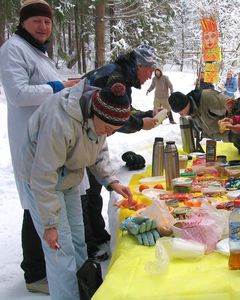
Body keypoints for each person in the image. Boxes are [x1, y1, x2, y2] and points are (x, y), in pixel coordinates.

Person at [17, 81, 133, 300]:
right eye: (108, 129)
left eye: (113, 131)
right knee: (60, 251)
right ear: (95, 114)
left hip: (69, 176)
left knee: (78, 242)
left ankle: (83, 292)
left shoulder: (97, 118)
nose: (107, 134)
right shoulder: (60, 122)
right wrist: (50, 224)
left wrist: (111, 181)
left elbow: (98, 152)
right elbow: (43, 175)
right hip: (43, 181)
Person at [0, 0, 79, 294]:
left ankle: (36, 271)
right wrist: (59, 87)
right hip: (31, 144)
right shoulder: (12, 49)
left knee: (37, 208)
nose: (43, 27)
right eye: (37, 22)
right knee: (39, 209)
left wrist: (64, 86)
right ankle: (35, 274)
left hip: (48, 141)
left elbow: (48, 87)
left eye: (47, 22)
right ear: (23, 23)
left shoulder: (38, 52)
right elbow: (18, 93)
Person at [82, 44, 158, 260]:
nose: (149, 77)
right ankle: (89, 246)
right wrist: (140, 124)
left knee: (94, 188)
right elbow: (113, 117)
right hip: (83, 138)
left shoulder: (121, 75)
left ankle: (97, 235)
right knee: (85, 192)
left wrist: (144, 115)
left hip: (93, 137)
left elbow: (121, 112)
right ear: (139, 65)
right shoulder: (116, 78)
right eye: (149, 72)